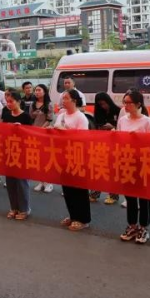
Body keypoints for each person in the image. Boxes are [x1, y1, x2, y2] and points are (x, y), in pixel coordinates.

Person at [117, 91, 150, 244]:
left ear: (138, 104)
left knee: (144, 197)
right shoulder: (122, 120)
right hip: (127, 162)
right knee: (130, 196)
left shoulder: (146, 121)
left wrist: (138, 139)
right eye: (124, 102)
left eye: (129, 102)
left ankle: (144, 227)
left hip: (143, 162)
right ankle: (132, 225)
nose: (126, 105)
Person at [55, 89, 91, 230]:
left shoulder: (80, 117)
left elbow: (82, 138)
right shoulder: (61, 116)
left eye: (66, 98)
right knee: (67, 188)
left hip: (77, 157)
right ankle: (72, 215)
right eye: (63, 98)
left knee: (79, 189)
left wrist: (63, 131)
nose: (63, 101)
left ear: (74, 100)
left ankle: (83, 219)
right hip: (63, 156)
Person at [2, 90, 32, 219]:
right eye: (7, 102)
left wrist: (21, 129)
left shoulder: (25, 117)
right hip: (9, 151)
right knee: (10, 182)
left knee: (21, 182)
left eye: (11, 101)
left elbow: (31, 136)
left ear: (18, 101)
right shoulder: (6, 116)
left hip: (21, 152)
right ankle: (13, 207)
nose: (9, 104)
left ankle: (24, 209)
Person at [92, 92, 121, 205]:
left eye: (104, 103)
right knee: (98, 169)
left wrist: (112, 127)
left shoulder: (118, 111)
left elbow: (122, 127)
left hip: (114, 144)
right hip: (101, 144)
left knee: (112, 170)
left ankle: (113, 195)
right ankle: (94, 193)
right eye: (100, 104)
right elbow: (95, 127)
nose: (103, 106)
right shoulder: (98, 113)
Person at [30, 84, 55, 193]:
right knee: (38, 159)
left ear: (45, 91)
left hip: (44, 134)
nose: (37, 92)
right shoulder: (32, 104)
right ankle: (41, 182)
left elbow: (50, 119)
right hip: (34, 134)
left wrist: (41, 129)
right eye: (36, 90)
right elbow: (30, 117)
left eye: (39, 90)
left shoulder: (49, 104)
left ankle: (49, 183)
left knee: (46, 159)